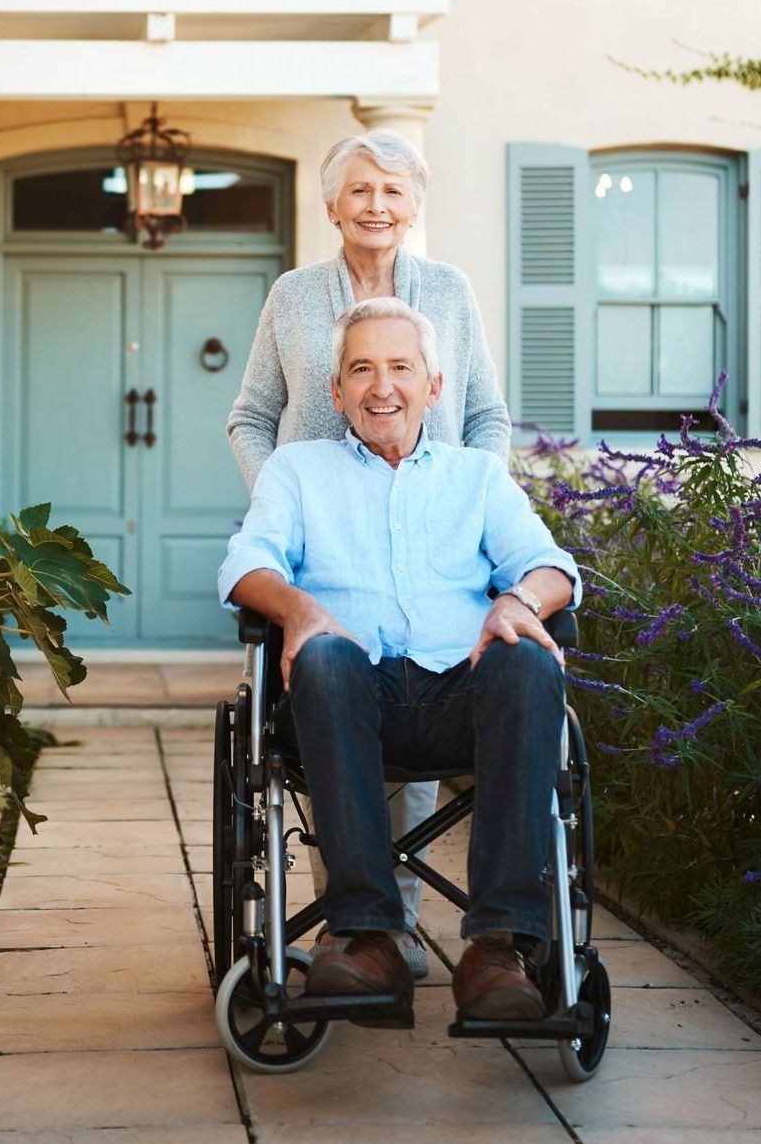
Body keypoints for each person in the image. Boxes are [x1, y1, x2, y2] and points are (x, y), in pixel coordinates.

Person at [218, 298, 579, 1019]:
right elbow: (243, 567)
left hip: (461, 698)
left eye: (399, 368)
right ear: (336, 392)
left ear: (433, 387)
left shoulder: (475, 476)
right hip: (343, 698)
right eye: (361, 369)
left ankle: (497, 946)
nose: (381, 387)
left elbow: (550, 567)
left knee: (530, 661)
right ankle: (366, 934)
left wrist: (519, 602)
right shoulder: (296, 470)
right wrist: (299, 610)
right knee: (320, 657)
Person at [226, 129, 511, 977]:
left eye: (392, 191)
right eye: (359, 191)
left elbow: (488, 414)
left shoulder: (450, 293)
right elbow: (250, 414)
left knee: (420, 684)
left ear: (414, 204)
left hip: (433, 539)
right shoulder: (293, 294)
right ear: (331, 205)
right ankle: (351, 927)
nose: (375, 206)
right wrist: (283, 491)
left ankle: (405, 922)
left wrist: (465, 497)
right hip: (323, 543)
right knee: (328, 701)